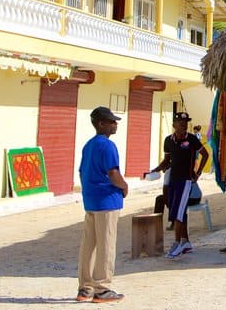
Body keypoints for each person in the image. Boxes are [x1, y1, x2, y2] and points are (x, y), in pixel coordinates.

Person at [76, 106, 128, 303]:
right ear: (101, 124)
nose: (115, 125)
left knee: (89, 245)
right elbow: (113, 173)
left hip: (91, 200)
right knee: (106, 244)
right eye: (112, 121)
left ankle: (85, 287)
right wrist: (124, 186)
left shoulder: (89, 145)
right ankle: (102, 288)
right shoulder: (107, 145)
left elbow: (82, 171)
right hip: (107, 200)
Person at [144, 111, 208, 259]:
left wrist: (197, 174)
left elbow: (205, 154)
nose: (183, 125)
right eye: (180, 123)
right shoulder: (168, 140)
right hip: (173, 179)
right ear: (174, 125)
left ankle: (177, 243)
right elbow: (167, 160)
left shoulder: (192, 139)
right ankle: (186, 242)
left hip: (186, 181)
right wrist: (156, 170)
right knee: (178, 211)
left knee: (179, 213)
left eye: (185, 123)